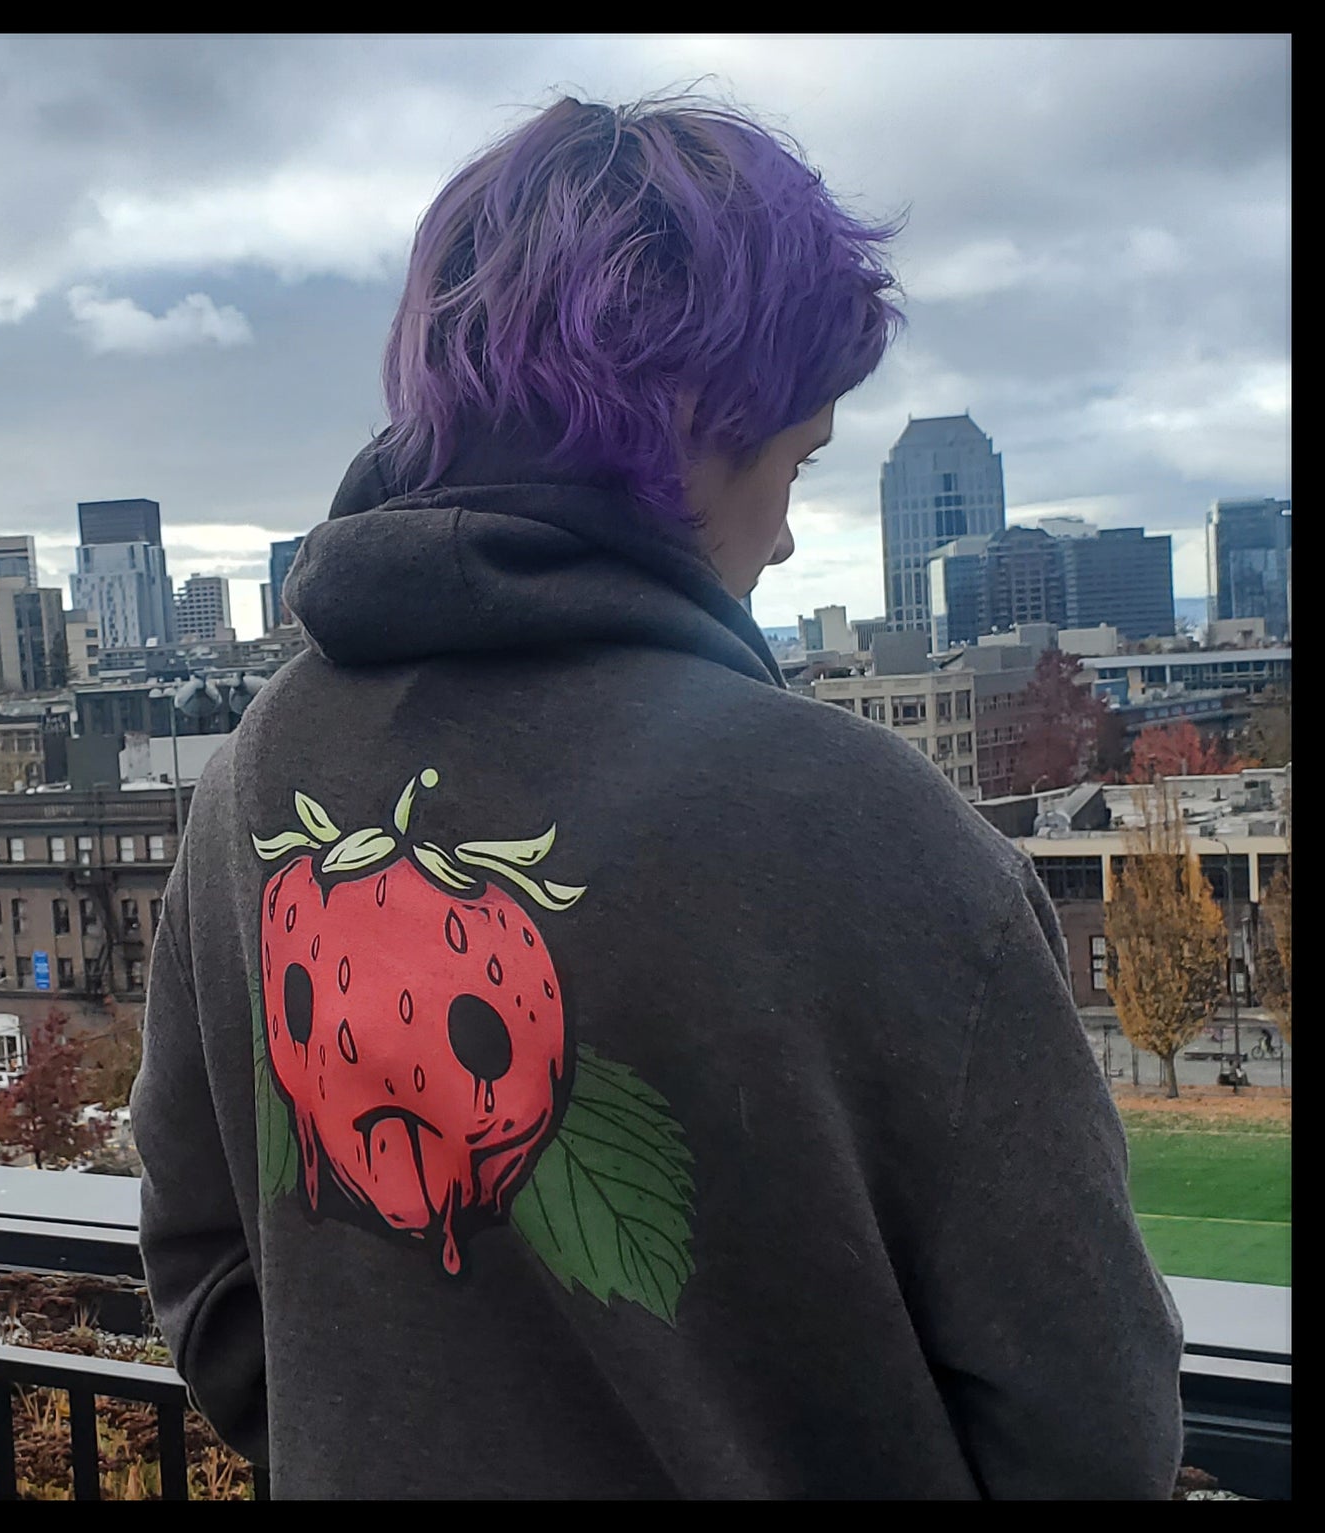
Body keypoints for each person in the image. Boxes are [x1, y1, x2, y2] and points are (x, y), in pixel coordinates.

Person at [132, 94, 1183, 1499]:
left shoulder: (262, 773)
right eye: (795, 458)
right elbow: (1091, 1424)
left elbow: (202, 1259)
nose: (791, 526)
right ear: (690, 421)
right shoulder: (869, 828)